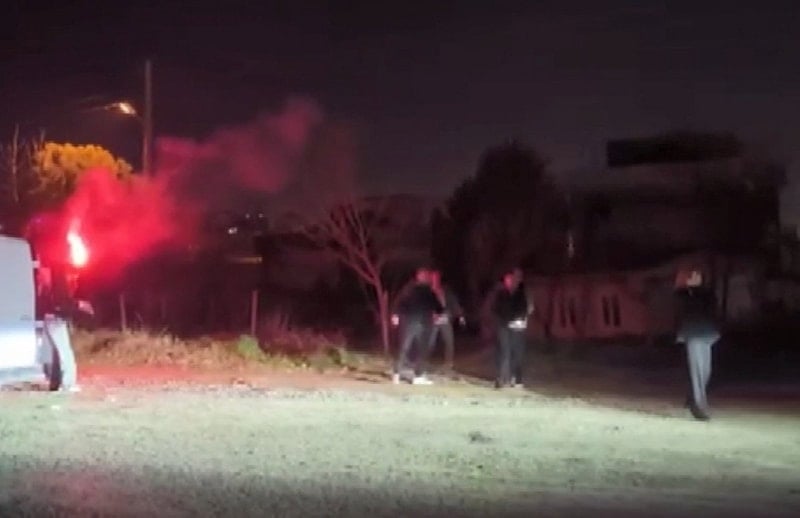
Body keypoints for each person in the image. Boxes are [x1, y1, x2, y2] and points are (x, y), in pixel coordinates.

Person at [674, 268, 720, 421]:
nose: (696, 278)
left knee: (706, 371)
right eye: (693, 275)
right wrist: (687, 287)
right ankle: (699, 406)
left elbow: (712, 308)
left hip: (706, 333)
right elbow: (681, 306)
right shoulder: (683, 294)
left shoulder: (707, 293)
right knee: (697, 371)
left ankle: (692, 397)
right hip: (692, 333)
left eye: (698, 275)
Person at [391, 267, 444, 385]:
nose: (427, 278)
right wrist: (396, 315)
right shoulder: (426, 291)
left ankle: (402, 374)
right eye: (426, 276)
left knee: (407, 347)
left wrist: (396, 315)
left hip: (414, 322)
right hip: (419, 323)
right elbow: (439, 307)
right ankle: (413, 375)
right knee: (415, 348)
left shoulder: (412, 290)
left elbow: (401, 304)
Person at [486, 267, 533, 389]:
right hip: (503, 325)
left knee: (517, 352)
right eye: (511, 278)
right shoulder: (501, 293)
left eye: (517, 277)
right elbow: (495, 308)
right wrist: (503, 320)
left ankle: (515, 377)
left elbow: (526, 308)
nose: (514, 280)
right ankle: (502, 378)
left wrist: (519, 319)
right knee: (504, 351)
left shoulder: (522, 292)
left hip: (517, 326)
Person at [427, 270, 465, 373]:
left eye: (437, 278)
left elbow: (453, 302)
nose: (435, 280)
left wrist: (460, 315)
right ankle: (424, 360)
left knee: (449, 340)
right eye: (433, 278)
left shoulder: (445, 290)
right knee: (430, 341)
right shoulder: (427, 290)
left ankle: (449, 363)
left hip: (445, 317)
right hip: (433, 319)